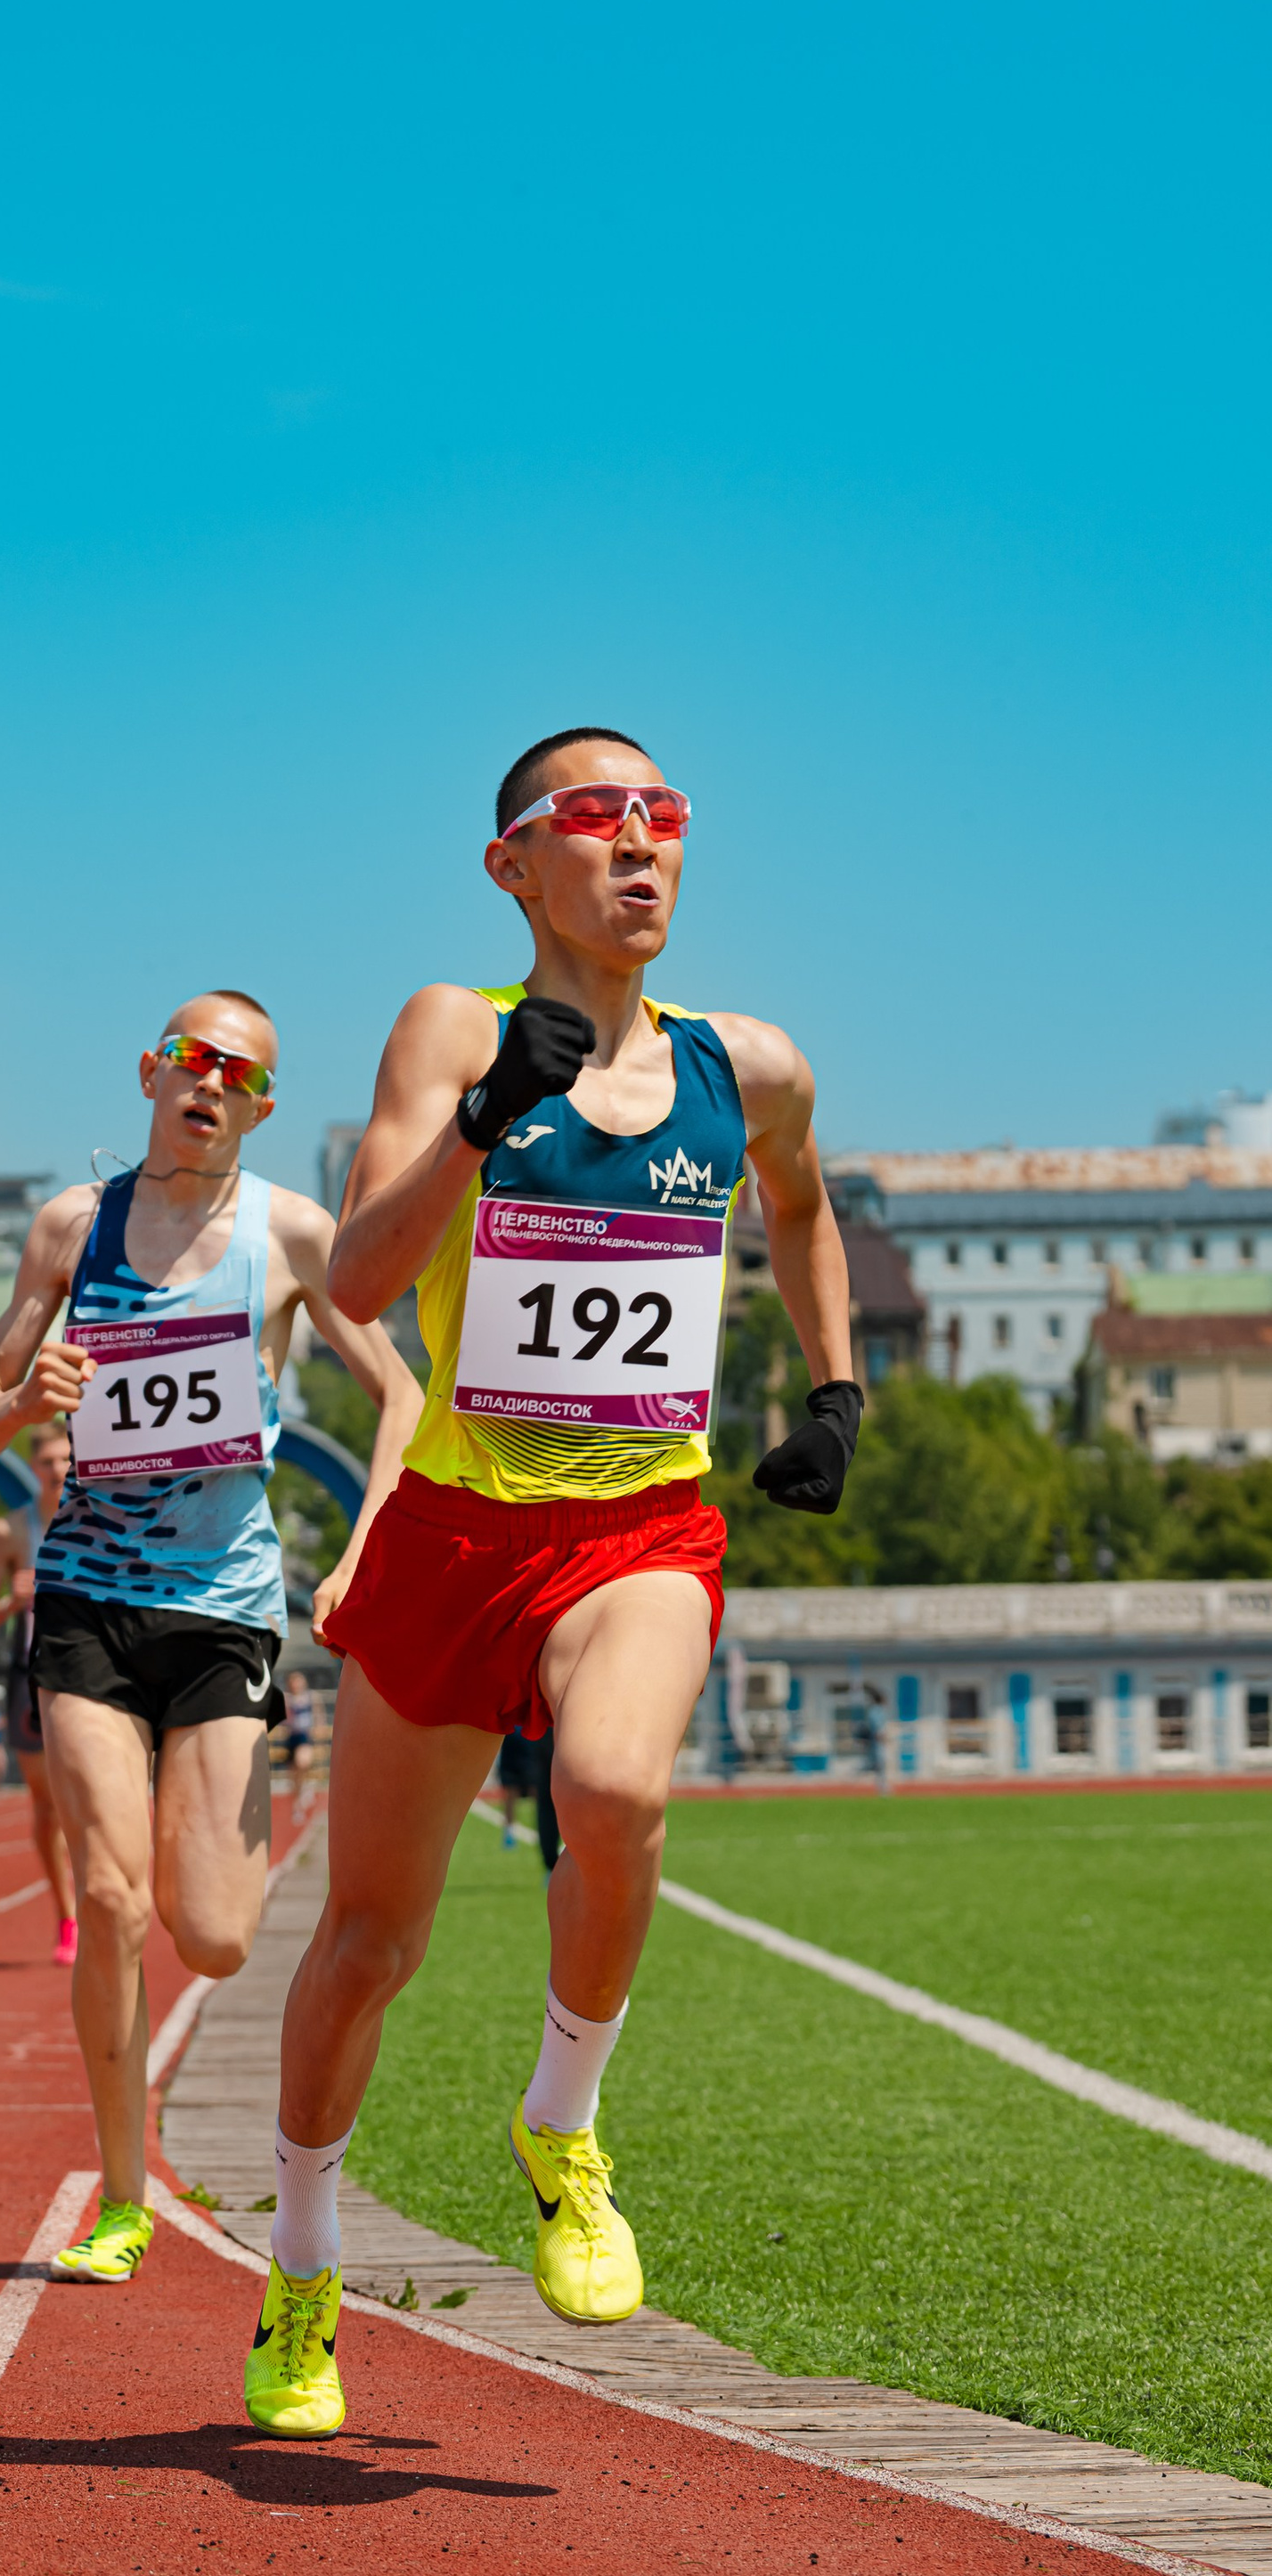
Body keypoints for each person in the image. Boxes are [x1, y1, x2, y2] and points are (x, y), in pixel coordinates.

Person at [249, 729, 859, 2436]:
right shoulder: (455, 1028)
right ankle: (302, 2266)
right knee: (367, 1944)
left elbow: (803, 1211)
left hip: (636, 1527)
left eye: (666, 816)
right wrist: (479, 1120)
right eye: (599, 817)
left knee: (615, 1789)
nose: (642, 844)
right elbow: (355, 1282)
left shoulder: (750, 1066)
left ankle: (564, 2123)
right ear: (514, 864)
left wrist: (835, 1392)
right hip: (455, 1534)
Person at [0, 991, 424, 2286]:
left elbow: (402, 1395)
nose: (210, 1082)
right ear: (150, 1073)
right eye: (191, 1060)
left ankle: (209, 1816)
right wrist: (23, 1395)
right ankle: (122, 2197)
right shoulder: (71, 1226)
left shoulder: (290, 1234)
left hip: (224, 1605)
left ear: (261, 1106)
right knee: (110, 1900)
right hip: (88, 1599)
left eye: (238, 1072)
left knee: (212, 1935)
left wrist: (367, 1548)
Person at [0, 1417, 79, 1966]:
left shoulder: (105, 1516)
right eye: (48, 1461)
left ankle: (108, 1896)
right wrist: (10, 1601)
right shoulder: (11, 1531)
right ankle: (67, 1915)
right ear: (33, 1467)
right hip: (31, 1674)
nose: (57, 1470)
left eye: (66, 1459)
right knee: (49, 1805)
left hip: (98, 1669)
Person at [495, 1724, 560, 1867]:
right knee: (512, 1793)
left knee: (540, 1796)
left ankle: (544, 1843)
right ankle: (509, 1832)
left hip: (531, 1746)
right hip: (514, 1748)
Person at [279, 1668, 316, 1786]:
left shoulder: (311, 1697)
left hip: (305, 1736)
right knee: (293, 1772)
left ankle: (305, 1787)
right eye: (293, 1682)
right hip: (291, 1737)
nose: (296, 1685)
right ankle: (298, 1792)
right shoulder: (287, 1699)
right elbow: (283, 1720)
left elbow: (318, 1717)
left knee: (302, 1762)